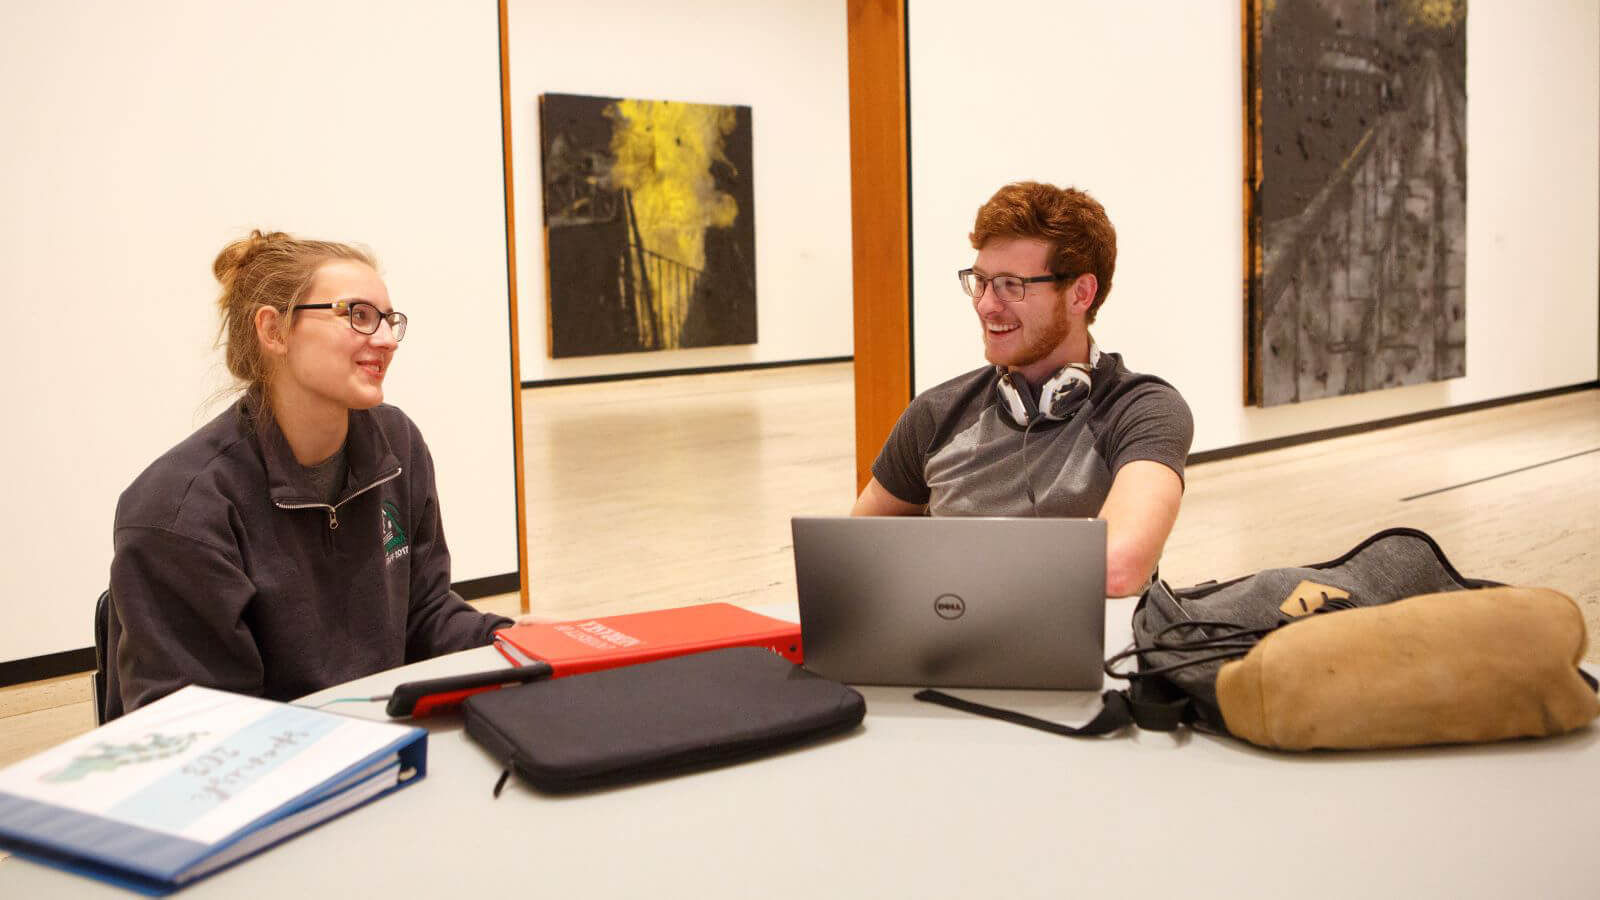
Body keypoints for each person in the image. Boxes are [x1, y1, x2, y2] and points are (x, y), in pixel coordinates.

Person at [106, 230, 512, 715]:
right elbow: (197, 728)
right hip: (265, 768)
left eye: (388, 320)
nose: (385, 340)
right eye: (358, 316)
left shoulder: (397, 443)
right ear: (274, 331)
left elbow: (424, 615)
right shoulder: (179, 510)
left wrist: (513, 641)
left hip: (377, 741)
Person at [852, 182, 1193, 597]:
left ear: (1080, 293)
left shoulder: (1143, 411)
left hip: (1092, 657)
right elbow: (854, 553)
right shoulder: (935, 414)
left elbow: (1120, 567)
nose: (985, 305)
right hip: (951, 649)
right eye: (979, 281)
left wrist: (951, 561)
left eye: (1011, 285)